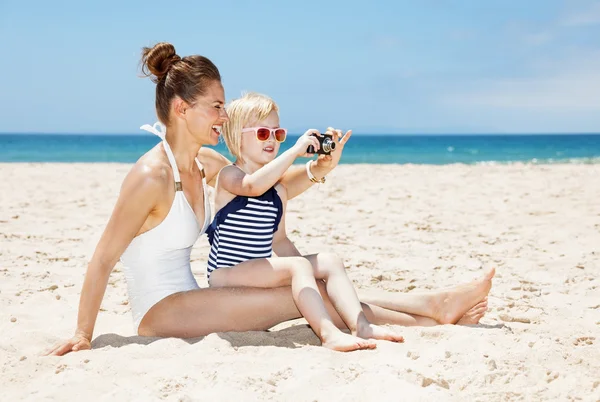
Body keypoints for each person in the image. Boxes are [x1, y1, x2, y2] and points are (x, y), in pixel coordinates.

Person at [46, 42, 494, 356]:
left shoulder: (202, 162)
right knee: (304, 295)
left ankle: (437, 308)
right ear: (182, 109)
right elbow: (103, 257)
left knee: (315, 288)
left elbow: (268, 187)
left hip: (194, 296)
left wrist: (319, 169)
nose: (223, 116)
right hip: (160, 312)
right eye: (216, 105)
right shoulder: (152, 173)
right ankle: (435, 311)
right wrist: (84, 333)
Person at [205, 92, 405, 351]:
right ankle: (328, 334)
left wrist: (311, 275)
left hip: (260, 269)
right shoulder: (229, 175)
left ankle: (361, 325)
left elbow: (280, 240)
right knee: (298, 267)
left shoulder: (277, 191)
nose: (273, 141)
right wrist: (295, 151)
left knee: (329, 261)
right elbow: (253, 186)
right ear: (235, 136)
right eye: (263, 133)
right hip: (228, 273)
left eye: (278, 134)